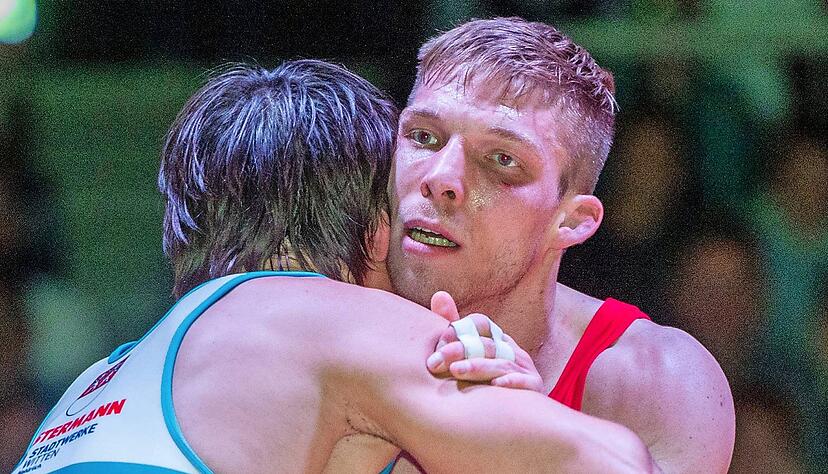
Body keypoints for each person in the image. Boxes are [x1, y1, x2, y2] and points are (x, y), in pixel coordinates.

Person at [13, 60, 656, 474]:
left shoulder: (100, 378)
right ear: (377, 228)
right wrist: (525, 405)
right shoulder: (333, 321)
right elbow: (616, 463)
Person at [385, 17, 735, 473]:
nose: (440, 178)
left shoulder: (660, 380)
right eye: (423, 137)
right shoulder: (317, 307)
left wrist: (539, 445)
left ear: (570, 221)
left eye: (502, 160)